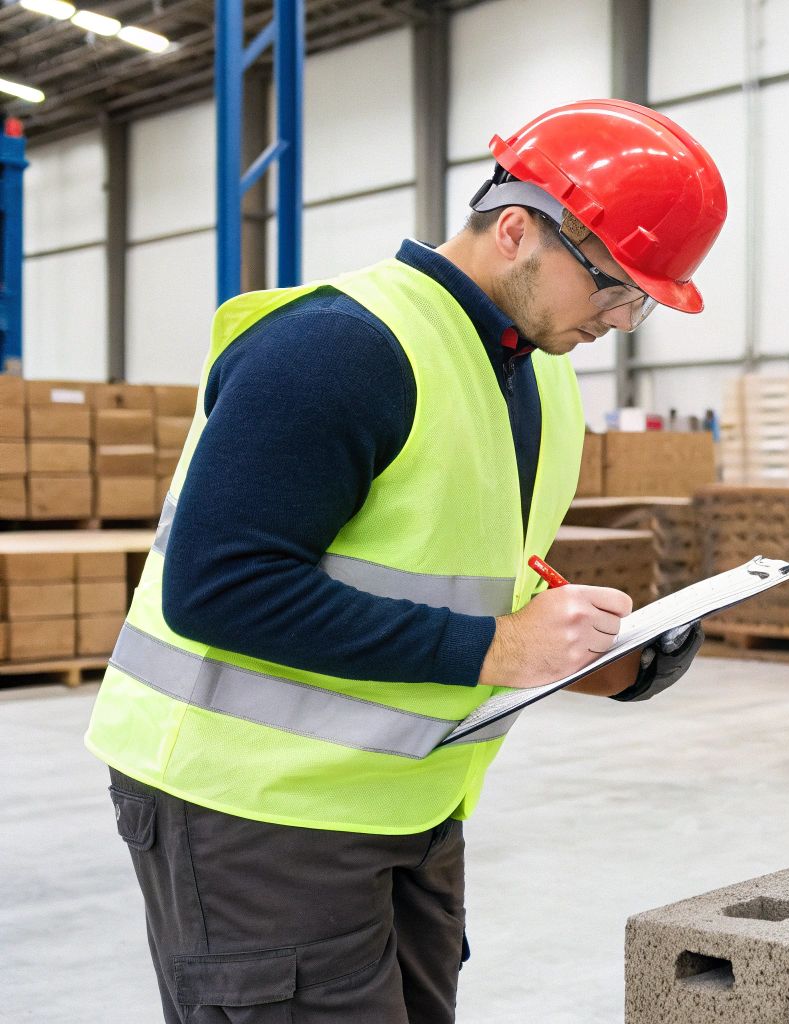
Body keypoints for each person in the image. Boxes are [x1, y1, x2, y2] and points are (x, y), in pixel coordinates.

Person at [84, 99, 728, 1023]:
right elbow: (218, 589)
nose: (622, 320)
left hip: (410, 799)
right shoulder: (338, 347)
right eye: (613, 286)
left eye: (643, 300)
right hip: (253, 812)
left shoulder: (532, 369)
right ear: (518, 229)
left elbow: (458, 568)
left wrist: (585, 654)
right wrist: (500, 648)